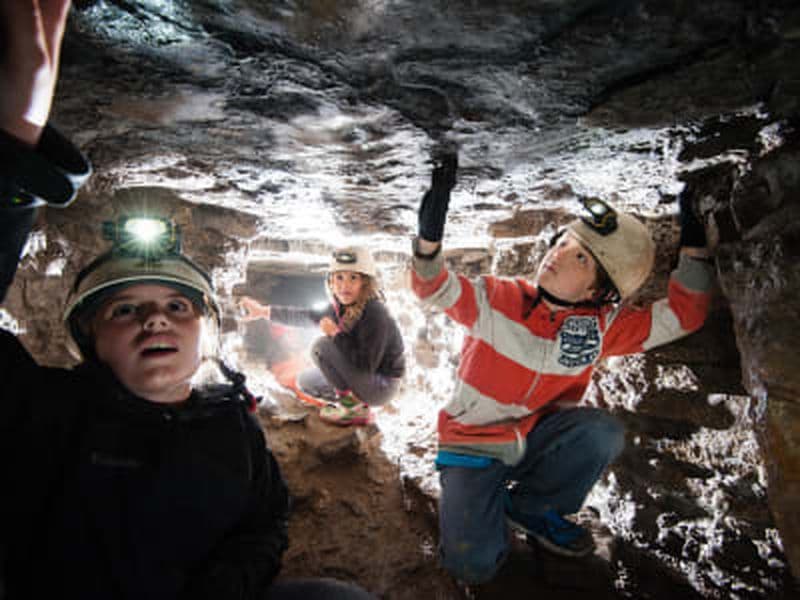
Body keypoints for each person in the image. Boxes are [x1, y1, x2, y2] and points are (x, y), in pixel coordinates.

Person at [0, 3, 376, 599]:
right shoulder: (45, 415)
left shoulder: (231, 427)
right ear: (90, 337)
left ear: (204, 328)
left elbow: (267, 520)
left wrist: (230, 582)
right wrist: (13, 168)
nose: (155, 317)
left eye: (178, 307)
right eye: (124, 309)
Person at [409, 150, 714, 584]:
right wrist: (428, 240)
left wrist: (695, 243)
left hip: (536, 440)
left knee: (603, 432)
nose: (559, 253)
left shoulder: (603, 327)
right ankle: (483, 509)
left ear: (599, 290)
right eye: (563, 243)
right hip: (472, 447)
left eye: (582, 257)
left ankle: (532, 507)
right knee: (472, 565)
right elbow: (432, 285)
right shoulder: (496, 298)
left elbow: (685, 315)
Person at [240, 246, 406, 426]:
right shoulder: (340, 307)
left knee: (322, 347)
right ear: (331, 282)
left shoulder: (375, 311)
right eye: (339, 277)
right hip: (365, 378)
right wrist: (263, 311)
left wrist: (335, 334)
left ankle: (353, 410)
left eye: (353, 278)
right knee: (306, 381)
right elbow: (305, 316)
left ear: (365, 283)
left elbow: (366, 364)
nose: (345, 285)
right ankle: (352, 405)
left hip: (382, 385)